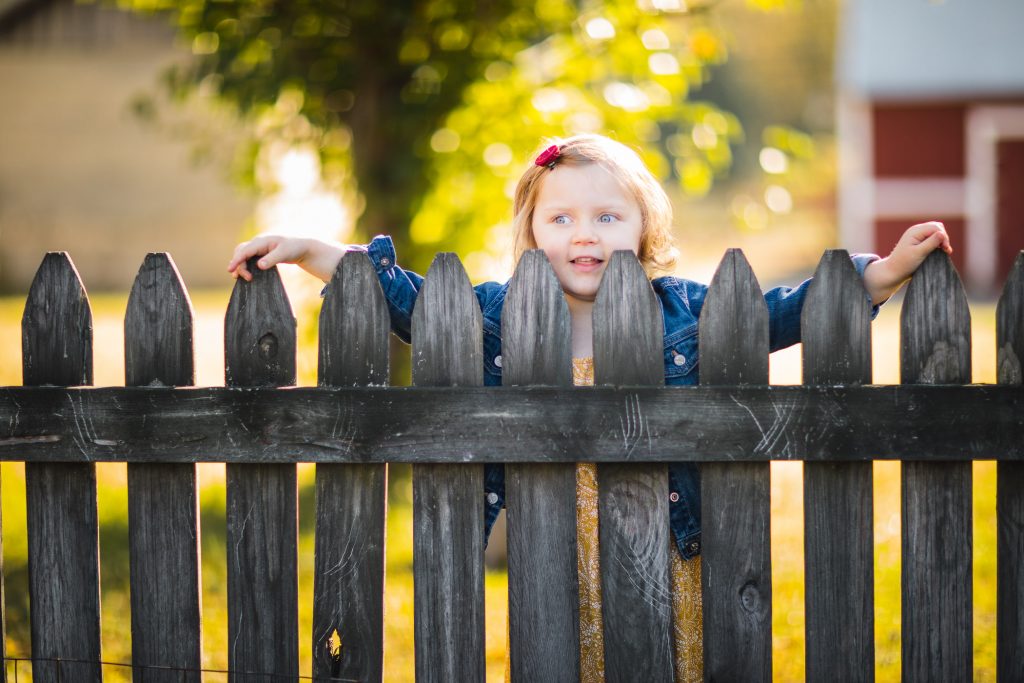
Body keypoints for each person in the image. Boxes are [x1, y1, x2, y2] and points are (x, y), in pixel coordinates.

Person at [228, 133, 952, 682]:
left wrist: (879, 275)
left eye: (608, 216)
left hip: (668, 542)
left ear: (643, 227)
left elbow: (775, 316)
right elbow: (408, 300)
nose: (585, 235)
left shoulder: (683, 312)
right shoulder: (494, 316)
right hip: (554, 545)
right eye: (562, 218)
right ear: (532, 230)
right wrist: (310, 248)